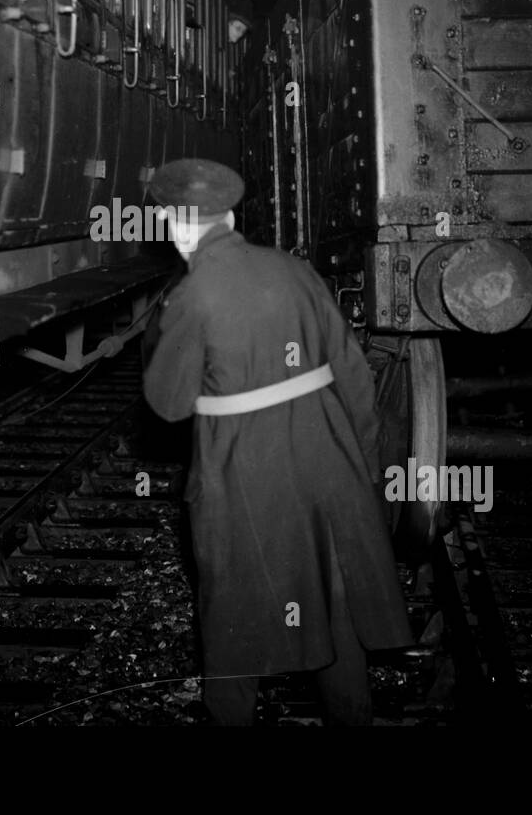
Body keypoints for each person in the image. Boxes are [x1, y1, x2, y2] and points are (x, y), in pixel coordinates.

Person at [141, 158, 412, 726]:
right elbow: (356, 377)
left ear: (174, 224)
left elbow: (166, 404)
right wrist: (361, 470)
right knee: (333, 601)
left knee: (232, 609)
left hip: (242, 472)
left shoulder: (192, 295)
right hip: (325, 459)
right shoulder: (294, 269)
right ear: (231, 214)